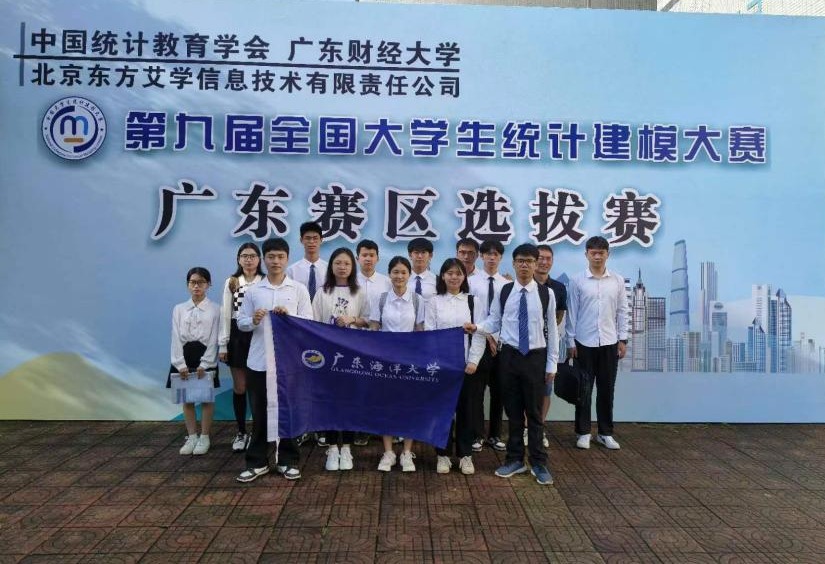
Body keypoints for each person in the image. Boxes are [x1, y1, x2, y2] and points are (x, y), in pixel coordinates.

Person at [465, 243, 558, 486]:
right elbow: (494, 321)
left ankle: (539, 463)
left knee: (534, 414)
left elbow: (552, 330)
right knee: (514, 412)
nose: (525, 265)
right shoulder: (505, 291)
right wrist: (477, 327)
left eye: (530, 261)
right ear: (514, 264)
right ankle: (515, 459)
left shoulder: (546, 294)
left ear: (536, 264)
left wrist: (552, 364)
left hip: (535, 357)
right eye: (520, 261)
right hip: (509, 357)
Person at [236, 238, 313, 483]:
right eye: (271, 257)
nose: (276, 261)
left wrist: (288, 317)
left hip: (288, 362)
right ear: (264, 259)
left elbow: (308, 323)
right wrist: (254, 320)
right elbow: (241, 322)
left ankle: (288, 460)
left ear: (287, 259)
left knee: (287, 411)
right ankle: (257, 462)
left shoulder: (298, 289)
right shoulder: (253, 291)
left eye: (280, 257)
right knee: (259, 413)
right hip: (259, 361)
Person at [565, 236, 629, 451]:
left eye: (601, 253)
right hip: (583, 342)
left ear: (608, 254)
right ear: (586, 255)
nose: (597, 256)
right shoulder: (577, 281)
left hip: (610, 342)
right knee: (583, 390)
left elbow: (622, 311)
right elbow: (572, 312)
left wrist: (622, 339)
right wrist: (570, 340)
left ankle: (605, 433)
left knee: (606, 389)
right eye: (593, 253)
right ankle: (583, 432)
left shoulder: (617, 281)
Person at [312, 247, 370, 471]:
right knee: (329, 400)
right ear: (331, 266)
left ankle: (346, 447)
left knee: (348, 400)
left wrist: (352, 319)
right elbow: (313, 323)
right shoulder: (322, 292)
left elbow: (369, 321)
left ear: (352, 266)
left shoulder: (359, 292)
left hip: (352, 353)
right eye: (338, 263)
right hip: (328, 354)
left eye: (346, 263)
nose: (342, 267)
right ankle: (331, 447)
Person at [425, 259, 485, 475]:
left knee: (466, 411)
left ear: (464, 277)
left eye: (458, 273)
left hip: (466, 365)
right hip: (442, 366)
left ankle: (465, 455)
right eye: (449, 273)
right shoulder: (434, 302)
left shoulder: (473, 301)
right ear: (442, 276)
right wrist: (437, 362)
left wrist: (473, 361)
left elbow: (480, 333)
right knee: (442, 411)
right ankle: (442, 455)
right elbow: (430, 334)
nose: (454, 277)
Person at [369, 256, 425, 472]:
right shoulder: (381, 299)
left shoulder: (418, 300)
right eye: (395, 272)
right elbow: (374, 328)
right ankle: (388, 452)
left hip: (410, 362)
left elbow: (420, 331)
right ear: (389, 274)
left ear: (409, 275)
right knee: (387, 406)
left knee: (410, 406)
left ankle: (407, 453)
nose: (399, 276)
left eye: (403, 272)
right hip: (386, 362)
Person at [169, 267, 220, 456]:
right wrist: (179, 363)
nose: (196, 286)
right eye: (192, 282)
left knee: (206, 397)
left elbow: (215, 337)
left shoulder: (215, 309)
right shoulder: (179, 309)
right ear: (187, 285)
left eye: (201, 282)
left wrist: (206, 363)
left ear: (208, 284)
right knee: (187, 398)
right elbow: (175, 336)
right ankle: (191, 436)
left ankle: (204, 436)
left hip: (205, 354)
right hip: (183, 354)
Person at [218, 243, 264, 453]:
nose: (248, 259)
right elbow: (226, 313)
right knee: (240, 387)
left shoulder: (265, 281)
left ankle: (259, 431)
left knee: (259, 388)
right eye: (244, 256)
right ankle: (241, 431)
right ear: (238, 259)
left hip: (259, 333)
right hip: (237, 336)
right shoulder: (233, 281)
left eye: (252, 256)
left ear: (259, 259)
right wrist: (223, 344)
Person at [286, 221, 328, 446]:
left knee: (321, 380)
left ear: (321, 241)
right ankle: (303, 426)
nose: (311, 242)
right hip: (299, 333)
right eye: (307, 238)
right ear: (301, 240)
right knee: (300, 381)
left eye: (315, 238)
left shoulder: (329, 268)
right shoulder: (292, 271)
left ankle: (320, 427)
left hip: (323, 332)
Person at [467, 239, 509, 453]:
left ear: (501, 257)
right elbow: (469, 314)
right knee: (476, 391)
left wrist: (495, 337)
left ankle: (495, 434)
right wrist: (487, 335)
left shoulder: (507, 285)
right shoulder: (470, 282)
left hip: (500, 345)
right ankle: (477, 434)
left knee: (499, 391)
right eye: (488, 254)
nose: (492, 258)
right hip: (477, 342)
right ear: (481, 256)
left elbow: (506, 317)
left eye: (496, 254)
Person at [532, 244, 568, 449]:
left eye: (548, 258)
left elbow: (559, 316)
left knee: (546, 389)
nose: (544, 262)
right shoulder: (522, 283)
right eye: (540, 258)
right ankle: (527, 428)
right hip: (526, 346)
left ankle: (539, 428)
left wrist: (547, 329)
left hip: (547, 346)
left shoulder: (559, 288)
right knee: (526, 389)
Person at [407, 237, 437, 301]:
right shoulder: (402, 279)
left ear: (430, 255)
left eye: (423, 252)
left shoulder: (437, 280)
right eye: (416, 252)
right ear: (410, 255)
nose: (420, 256)